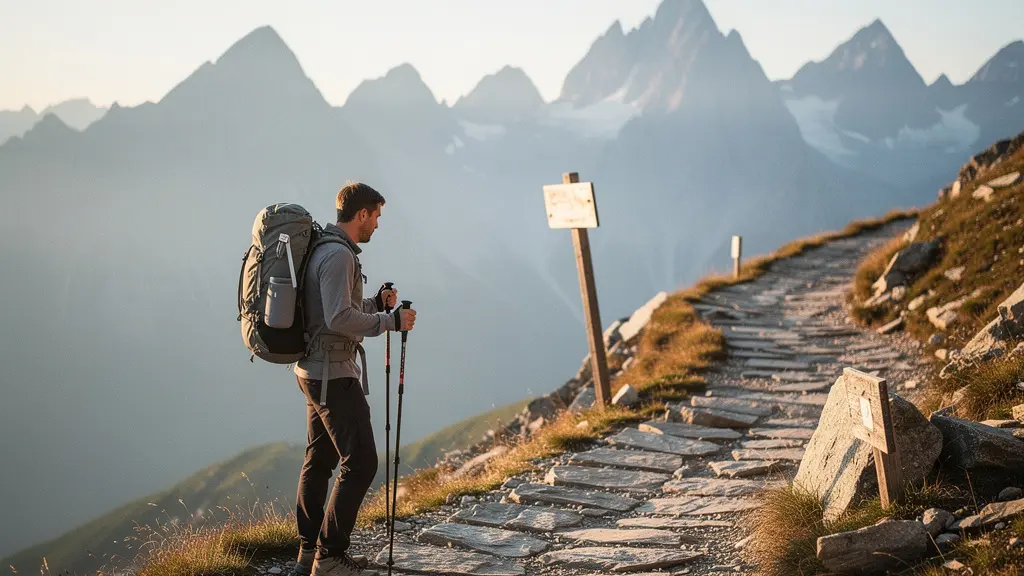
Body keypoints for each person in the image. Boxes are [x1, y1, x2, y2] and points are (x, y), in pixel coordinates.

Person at [291, 182, 416, 576]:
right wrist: (389, 321)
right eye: (376, 215)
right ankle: (328, 557)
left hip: (313, 370)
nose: (377, 224)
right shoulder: (339, 256)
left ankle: (308, 552)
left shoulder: (323, 249)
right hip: (333, 373)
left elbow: (339, 307)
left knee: (321, 460)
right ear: (360, 214)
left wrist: (376, 304)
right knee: (361, 463)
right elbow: (338, 319)